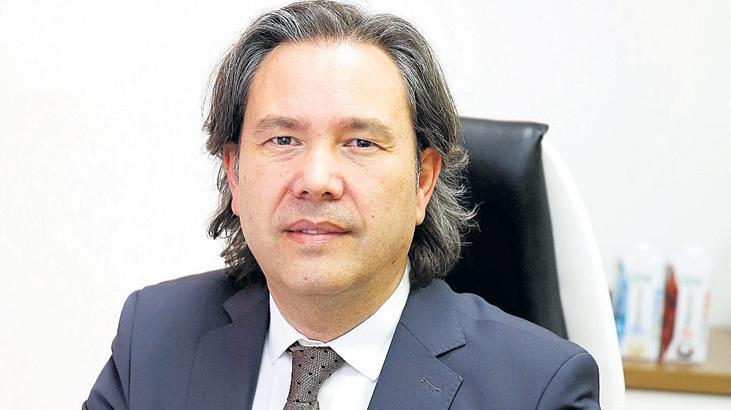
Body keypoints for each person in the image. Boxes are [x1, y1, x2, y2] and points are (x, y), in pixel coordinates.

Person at [84, 1, 600, 409]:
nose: (316, 181)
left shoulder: (538, 389)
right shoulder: (153, 337)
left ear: (423, 181)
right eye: (283, 139)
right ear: (234, 175)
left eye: (360, 143)